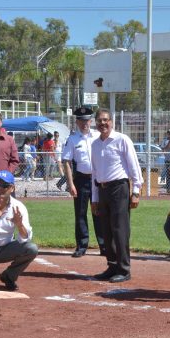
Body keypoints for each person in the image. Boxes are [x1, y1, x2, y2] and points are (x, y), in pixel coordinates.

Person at [90, 109, 143, 283]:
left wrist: (136, 191)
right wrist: (95, 198)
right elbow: (94, 173)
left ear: (111, 122)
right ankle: (112, 265)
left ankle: (124, 269)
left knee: (120, 230)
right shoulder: (95, 144)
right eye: (99, 121)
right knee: (106, 230)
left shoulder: (122, 140)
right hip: (103, 189)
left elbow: (134, 167)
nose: (102, 123)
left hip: (119, 189)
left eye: (105, 120)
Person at [61, 106, 104, 258]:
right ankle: (82, 245)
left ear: (91, 121)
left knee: (99, 212)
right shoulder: (72, 139)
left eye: (87, 120)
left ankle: (103, 245)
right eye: (81, 120)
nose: (84, 123)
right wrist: (71, 184)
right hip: (81, 180)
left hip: (98, 179)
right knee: (80, 214)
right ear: (77, 121)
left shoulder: (98, 136)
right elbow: (66, 161)